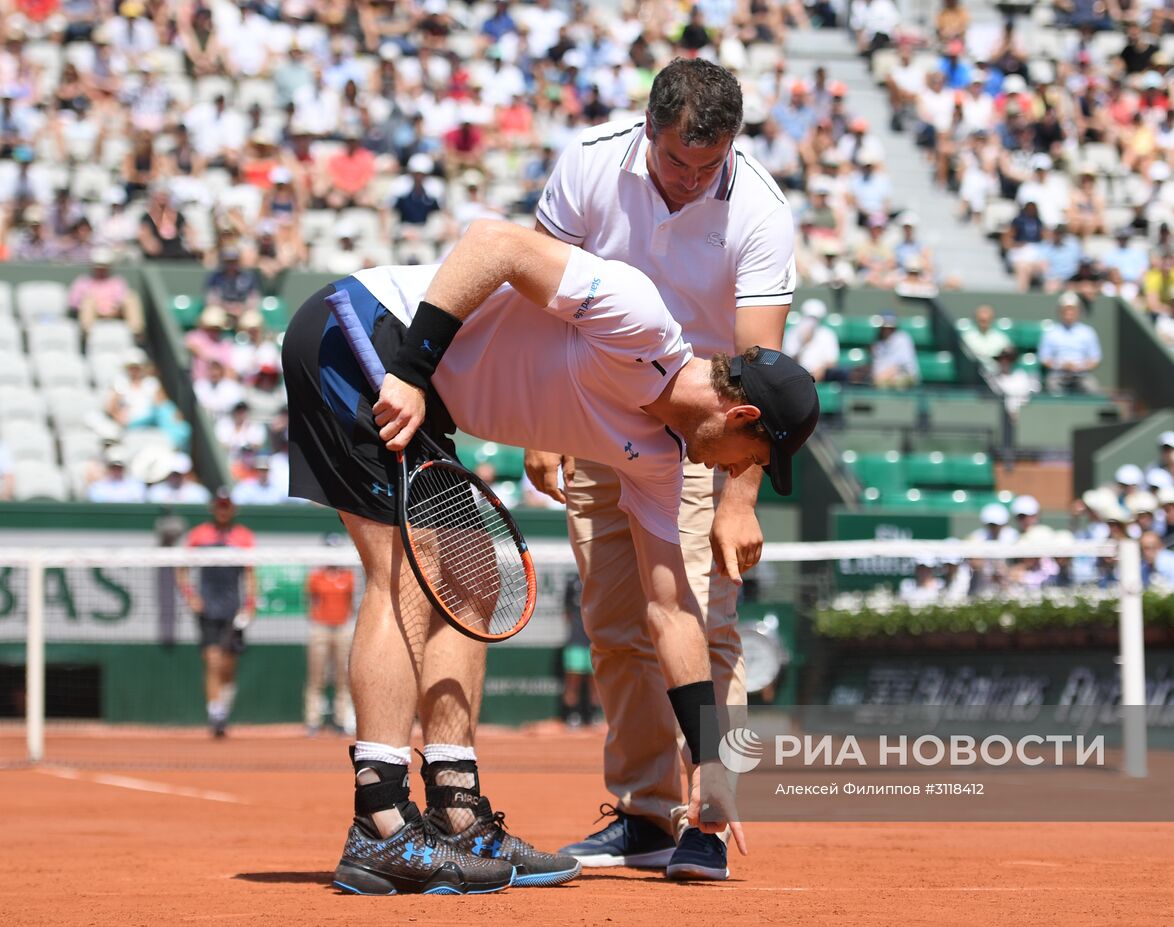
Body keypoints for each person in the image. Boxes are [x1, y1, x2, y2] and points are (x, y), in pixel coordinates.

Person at [281, 217, 818, 895]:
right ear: (741, 418)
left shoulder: (660, 459)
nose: (743, 472)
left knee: (473, 578)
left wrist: (708, 756)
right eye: (758, 461)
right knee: (407, 575)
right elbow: (492, 244)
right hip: (365, 336)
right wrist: (413, 372)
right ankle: (380, 821)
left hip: (420, 383)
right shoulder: (640, 316)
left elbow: (673, 609)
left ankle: (455, 809)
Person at [529, 58, 796, 882]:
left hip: (699, 430)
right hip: (589, 417)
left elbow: (760, 376)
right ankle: (645, 812)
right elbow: (534, 291)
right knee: (614, 627)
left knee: (700, 622)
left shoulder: (759, 209)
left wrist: (740, 499)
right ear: (649, 127)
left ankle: (709, 819)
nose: (688, 179)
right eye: (677, 160)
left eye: (706, 165)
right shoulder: (586, 162)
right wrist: (534, 425)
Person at [176, 489, 256, 738]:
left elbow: (251, 575)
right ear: (213, 508)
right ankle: (215, 714)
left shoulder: (244, 537)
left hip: (233, 610)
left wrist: (249, 605)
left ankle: (224, 709)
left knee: (228, 665)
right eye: (219, 506)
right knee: (212, 660)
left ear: (232, 509)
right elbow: (181, 568)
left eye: (227, 506)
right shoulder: (199, 535)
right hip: (208, 609)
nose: (223, 510)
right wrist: (191, 596)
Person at [305, 537, 356, 736]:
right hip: (320, 628)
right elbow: (310, 600)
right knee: (316, 676)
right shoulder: (316, 576)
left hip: (343, 628)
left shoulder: (348, 576)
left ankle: (341, 720)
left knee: (342, 678)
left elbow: (351, 601)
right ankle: (313, 720)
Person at [1037, 293, 1101, 394]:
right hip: (1057, 376)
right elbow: (1044, 358)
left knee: (1093, 388)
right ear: (1060, 311)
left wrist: (1079, 367)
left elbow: (1095, 359)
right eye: (1066, 310)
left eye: (1072, 310)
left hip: (1081, 375)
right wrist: (1061, 366)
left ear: (1078, 311)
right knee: (1051, 387)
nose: (1069, 313)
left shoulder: (1088, 332)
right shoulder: (1050, 333)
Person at [559, 574, 599, 728]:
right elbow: (567, 613)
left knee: (595, 681)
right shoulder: (572, 582)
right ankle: (572, 714)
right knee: (573, 680)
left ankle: (593, 714)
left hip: (594, 642)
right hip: (575, 642)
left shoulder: (598, 580)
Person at [781, 298, 840, 382]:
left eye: (815, 318)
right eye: (809, 317)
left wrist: (820, 370)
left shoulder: (828, 334)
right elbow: (789, 361)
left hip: (821, 376)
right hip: (796, 376)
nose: (811, 321)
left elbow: (832, 362)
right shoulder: (792, 333)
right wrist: (803, 344)